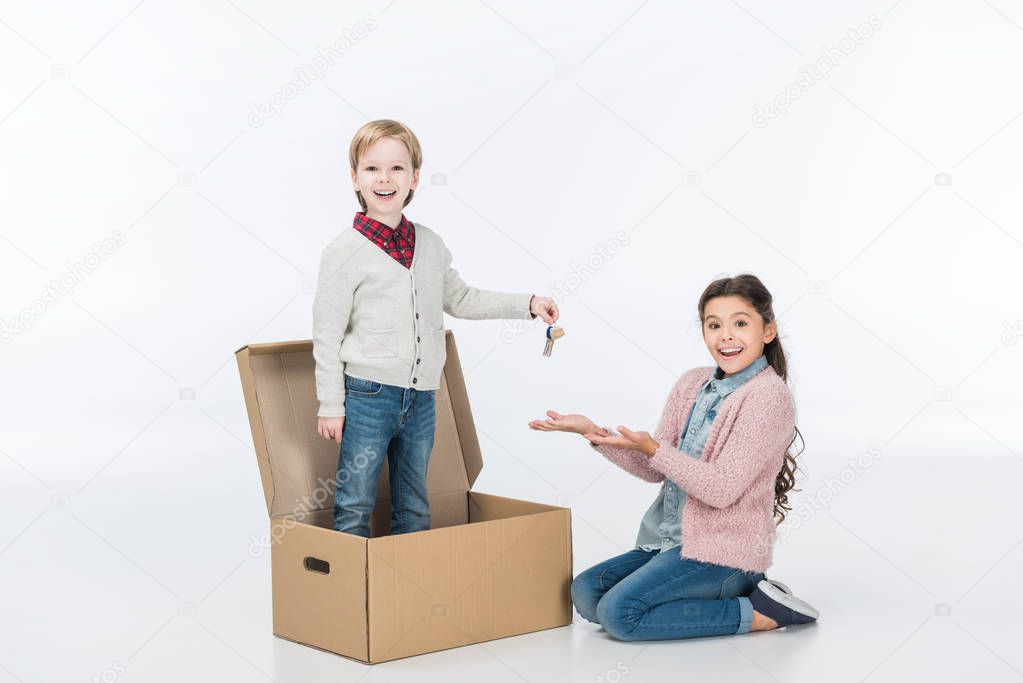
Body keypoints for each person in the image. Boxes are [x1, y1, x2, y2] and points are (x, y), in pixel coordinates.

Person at [528, 274, 818, 639]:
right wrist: (594, 432)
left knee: (619, 615)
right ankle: (722, 598)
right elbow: (655, 469)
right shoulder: (692, 383)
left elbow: (721, 489)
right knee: (587, 593)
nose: (726, 335)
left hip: (724, 555)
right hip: (671, 543)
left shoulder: (768, 398)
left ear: (768, 331)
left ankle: (762, 611)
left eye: (740, 323)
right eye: (714, 325)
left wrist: (654, 448)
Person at [314, 119, 558, 537]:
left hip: (423, 397)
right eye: (373, 169)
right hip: (368, 394)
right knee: (355, 501)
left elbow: (462, 298)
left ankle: (407, 589)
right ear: (355, 177)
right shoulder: (343, 251)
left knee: (414, 504)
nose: (385, 179)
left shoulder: (429, 244)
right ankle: (352, 597)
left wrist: (528, 305)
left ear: (415, 178)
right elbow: (327, 333)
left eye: (397, 168)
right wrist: (331, 404)